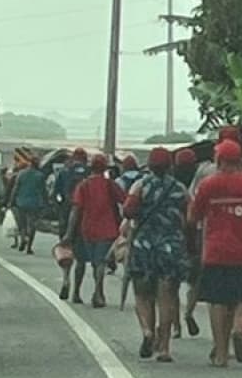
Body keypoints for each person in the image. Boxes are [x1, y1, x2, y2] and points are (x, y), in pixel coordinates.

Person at [189, 139, 242, 367]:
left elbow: (193, 217)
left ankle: (221, 353)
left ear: (218, 160)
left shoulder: (207, 184)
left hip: (214, 249)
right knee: (240, 297)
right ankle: (237, 328)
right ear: (240, 160)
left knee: (217, 302)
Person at [124, 147, 191, 362]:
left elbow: (128, 211)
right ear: (170, 166)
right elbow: (190, 217)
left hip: (144, 245)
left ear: (150, 166)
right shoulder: (180, 189)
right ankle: (164, 348)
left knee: (143, 295)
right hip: (171, 246)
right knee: (168, 297)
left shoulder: (140, 185)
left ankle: (147, 331)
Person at [63, 153, 126, 308]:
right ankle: (98, 293)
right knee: (100, 263)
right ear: (105, 168)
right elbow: (125, 201)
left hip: (86, 228)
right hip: (107, 228)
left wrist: (69, 232)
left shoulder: (83, 185)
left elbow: (76, 210)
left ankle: (76, 292)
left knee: (80, 261)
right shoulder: (110, 184)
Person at [173, 147, 202, 338]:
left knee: (171, 285)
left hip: (172, 239)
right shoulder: (198, 180)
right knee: (194, 281)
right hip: (194, 236)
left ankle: (176, 327)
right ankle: (188, 312)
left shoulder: (173, 184)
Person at [8, 158, 47, 255]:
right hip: (34, 203)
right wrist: (46, 203)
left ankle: (22, 239)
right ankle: (29, 247)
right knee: (32, 225)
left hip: (21, 202)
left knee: (22, 224)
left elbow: (15, 189)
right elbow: (43, 191)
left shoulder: (21, 174)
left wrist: (11, 201)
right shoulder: (40, 176)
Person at [54, 147, 90, 236]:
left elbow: (56, 190)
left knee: (64, 227)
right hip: (85, 207)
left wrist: (59, 203)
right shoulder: (89, 171)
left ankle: (64, 243)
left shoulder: (64, 171)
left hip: (67, 204)